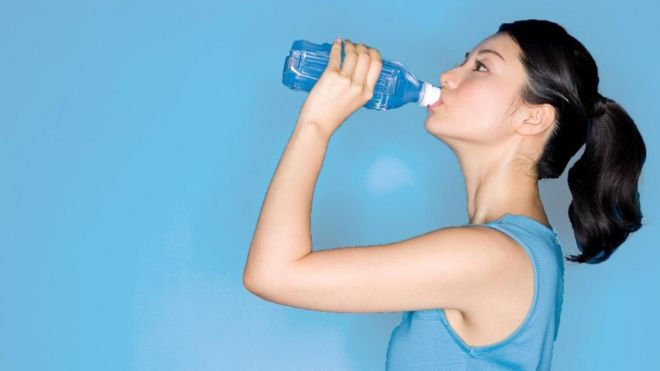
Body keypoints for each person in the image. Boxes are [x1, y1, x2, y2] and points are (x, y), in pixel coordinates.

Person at [243, 19, 646, 370]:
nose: (449, 75)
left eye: (481, 66)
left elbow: (273, 274)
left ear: (533, 117)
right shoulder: (522, 251)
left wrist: (315, 123)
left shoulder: (491, 256)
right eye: (465, 59)